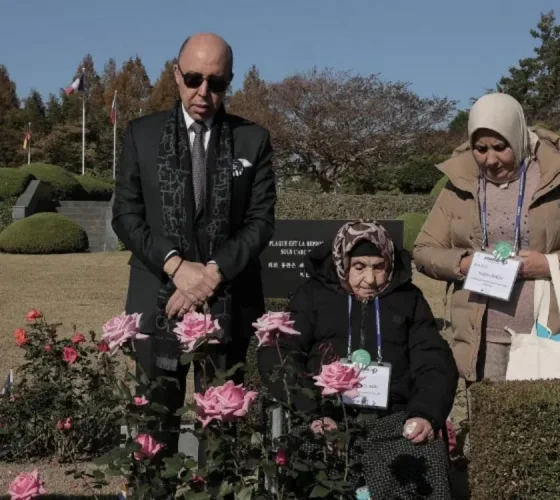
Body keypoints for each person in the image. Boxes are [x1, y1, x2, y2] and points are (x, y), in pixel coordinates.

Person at [111, 32, 276, 454]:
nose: (203, 92)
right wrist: (177, 268)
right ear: (176, 73)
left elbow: (260, 222)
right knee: (154, 427)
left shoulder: (252, 140)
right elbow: (127, 216)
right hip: (156, 296)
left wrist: (212, 272)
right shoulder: (141, 135)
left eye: (216, 83)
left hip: (230, 298)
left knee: (222, 433)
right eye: (194, 78)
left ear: (229, 82)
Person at [413, 92, 560, 383]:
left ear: (518, 137)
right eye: (480, 148)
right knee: (489, 421)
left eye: (501, 147)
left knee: (546, 421)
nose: (491, 159)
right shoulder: (458, 183)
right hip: (482, 336)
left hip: (549, 332)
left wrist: (552, 264)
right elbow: (423, 250)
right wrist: (463, 264)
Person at [259, 220, 457, 499]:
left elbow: (433, 359)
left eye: (379, 267)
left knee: (422, 456)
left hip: (394, 422)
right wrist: (312, 412)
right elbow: (280, 353)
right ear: (342, 262)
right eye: (360, 267)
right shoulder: (312, 296)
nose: (371, 279)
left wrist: (424, 413)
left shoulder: (408, 299)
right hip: (328, 417)